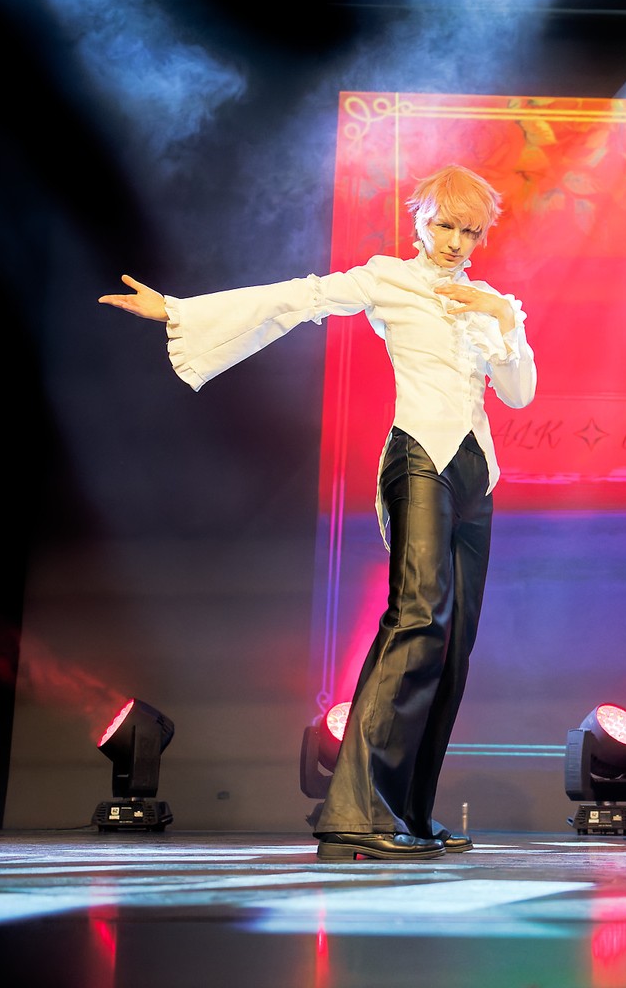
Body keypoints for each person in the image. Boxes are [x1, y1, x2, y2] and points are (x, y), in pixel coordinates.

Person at [99, 164, 536, 862]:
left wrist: (504, 321)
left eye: (471, 231)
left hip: (475, 474)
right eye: (446, 225)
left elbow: (517, 393)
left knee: (453, 644)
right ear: (420, 221)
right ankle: (356, 810)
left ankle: (409, 812)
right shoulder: (387, 278)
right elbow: (299, 298)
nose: (457, 241)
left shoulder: (492, 302)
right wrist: (180, 311)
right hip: (419, 457)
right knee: (419, 617)